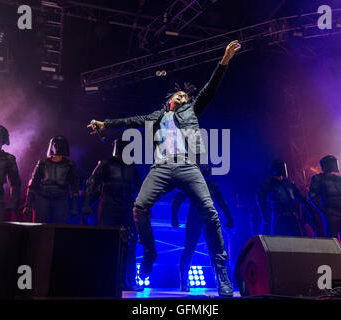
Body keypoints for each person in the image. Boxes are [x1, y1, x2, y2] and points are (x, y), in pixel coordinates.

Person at [88, 40, 241, 297]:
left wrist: (224, 59)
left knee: (210, 213)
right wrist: (105, 123)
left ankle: (221, 272)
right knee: (139, 207)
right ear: (169, 101)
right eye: (178, 96)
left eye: (185, 97)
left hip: (187, 165)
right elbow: (130, 120)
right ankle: (149, 252)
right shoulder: (155, 116)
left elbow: (211, 88)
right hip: (161, 167)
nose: (183, 98)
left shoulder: (192, 110)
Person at [82, 139, 143, 291]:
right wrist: (86, 204)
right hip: (109, 206)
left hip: (127, 206)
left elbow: (141, 187)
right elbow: (92, 183)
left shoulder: (132, 166)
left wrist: (144, 207)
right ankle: (104, 279)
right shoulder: (105, 163)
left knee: (130, 243)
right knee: (107, 242)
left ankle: (129, 281)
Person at [171, 164, 234, 292]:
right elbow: (177, 200)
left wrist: (229, 218)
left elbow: (222, 202)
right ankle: (184, 280)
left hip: (206, 218)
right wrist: (174, 217)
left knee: (213, 249)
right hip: (196, 217)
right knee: (190, 248)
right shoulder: (191, 184)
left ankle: (220, 280)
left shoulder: (210, 185)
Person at [309, 155, 341, 281]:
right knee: (332, 243)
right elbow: (312, 196)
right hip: (331, 212)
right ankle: (334, 274)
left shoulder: (338, 179)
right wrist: (323, 210)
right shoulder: (318, 179)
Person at [23, 136, 79, 223]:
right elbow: (33, 184)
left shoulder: (69, 165)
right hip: (43, 197)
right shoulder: (43, 163)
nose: (58, 147)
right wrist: (28, 205)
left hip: (61, 198)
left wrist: (74, 207)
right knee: (39, 227)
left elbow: (74, 187)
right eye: (56, 145)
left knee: (59, 228)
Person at [256, 160, 315, 237]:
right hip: (278, 216)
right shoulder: (269, 183)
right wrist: (264, 215)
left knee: (298, 240)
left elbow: (302, 198)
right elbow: (260, 198)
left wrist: (312, 212)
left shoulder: (289, 183)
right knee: (279, 242)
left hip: (292, 215)